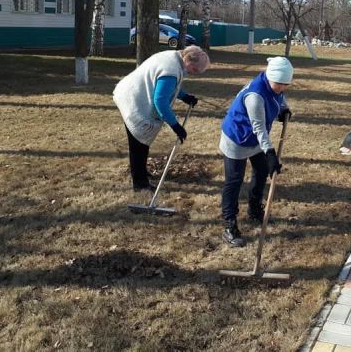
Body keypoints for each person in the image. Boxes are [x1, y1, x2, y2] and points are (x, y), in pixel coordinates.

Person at [113, 45, 210, 192]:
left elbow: (168, 86)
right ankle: (140, 184)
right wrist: (175, 126)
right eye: (194, 69)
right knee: (138, 144)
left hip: (134, 92)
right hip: (132, 100)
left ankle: (141, 173)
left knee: (142, 143)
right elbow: (161, 101)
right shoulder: (171, 69)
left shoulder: (175, 57)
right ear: (189, 59)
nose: (193, 73)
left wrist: (184, 96)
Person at [219, 57, 293, 247]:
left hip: (255, 140)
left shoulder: (273, 85)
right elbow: (258, 128)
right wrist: (270, 154)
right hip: (237, 137)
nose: (282, 88)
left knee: (261, 172)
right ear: (270, 77)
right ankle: (229, 224)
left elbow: (279, 97)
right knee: (234, 181)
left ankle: (254, 209)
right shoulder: (255, 96)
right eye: (279, 84)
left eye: (286, 84)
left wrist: (283, 109)